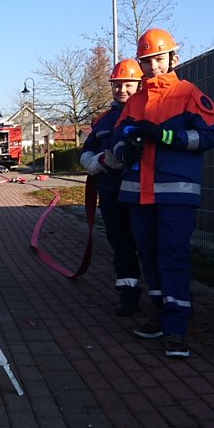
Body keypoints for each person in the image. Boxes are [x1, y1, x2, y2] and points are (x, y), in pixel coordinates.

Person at [109, 28, 214, 359]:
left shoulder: (188, 94)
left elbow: (209, 138)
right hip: (137, 195)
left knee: (173, 256)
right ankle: (161, 312)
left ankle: (176, 328)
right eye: (146, 62)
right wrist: (124, 149)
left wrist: (165, 136)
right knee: (150, 256)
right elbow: (114, 141)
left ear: (173, 58)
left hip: (174, 194)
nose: (152, 67)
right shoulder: (135, 101)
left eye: (157, 59)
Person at [80, 59, 144, 316]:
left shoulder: (149, 112)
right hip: (111, 193)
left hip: (143, 193)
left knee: (148, 244)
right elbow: (87, 152)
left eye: (128, 85)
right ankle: (128, 293)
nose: (122, 90)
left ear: (139, 84)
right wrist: (95, 163)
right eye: (117, 86)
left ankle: (164, 297)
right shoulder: (103, 121)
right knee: (120, 243)